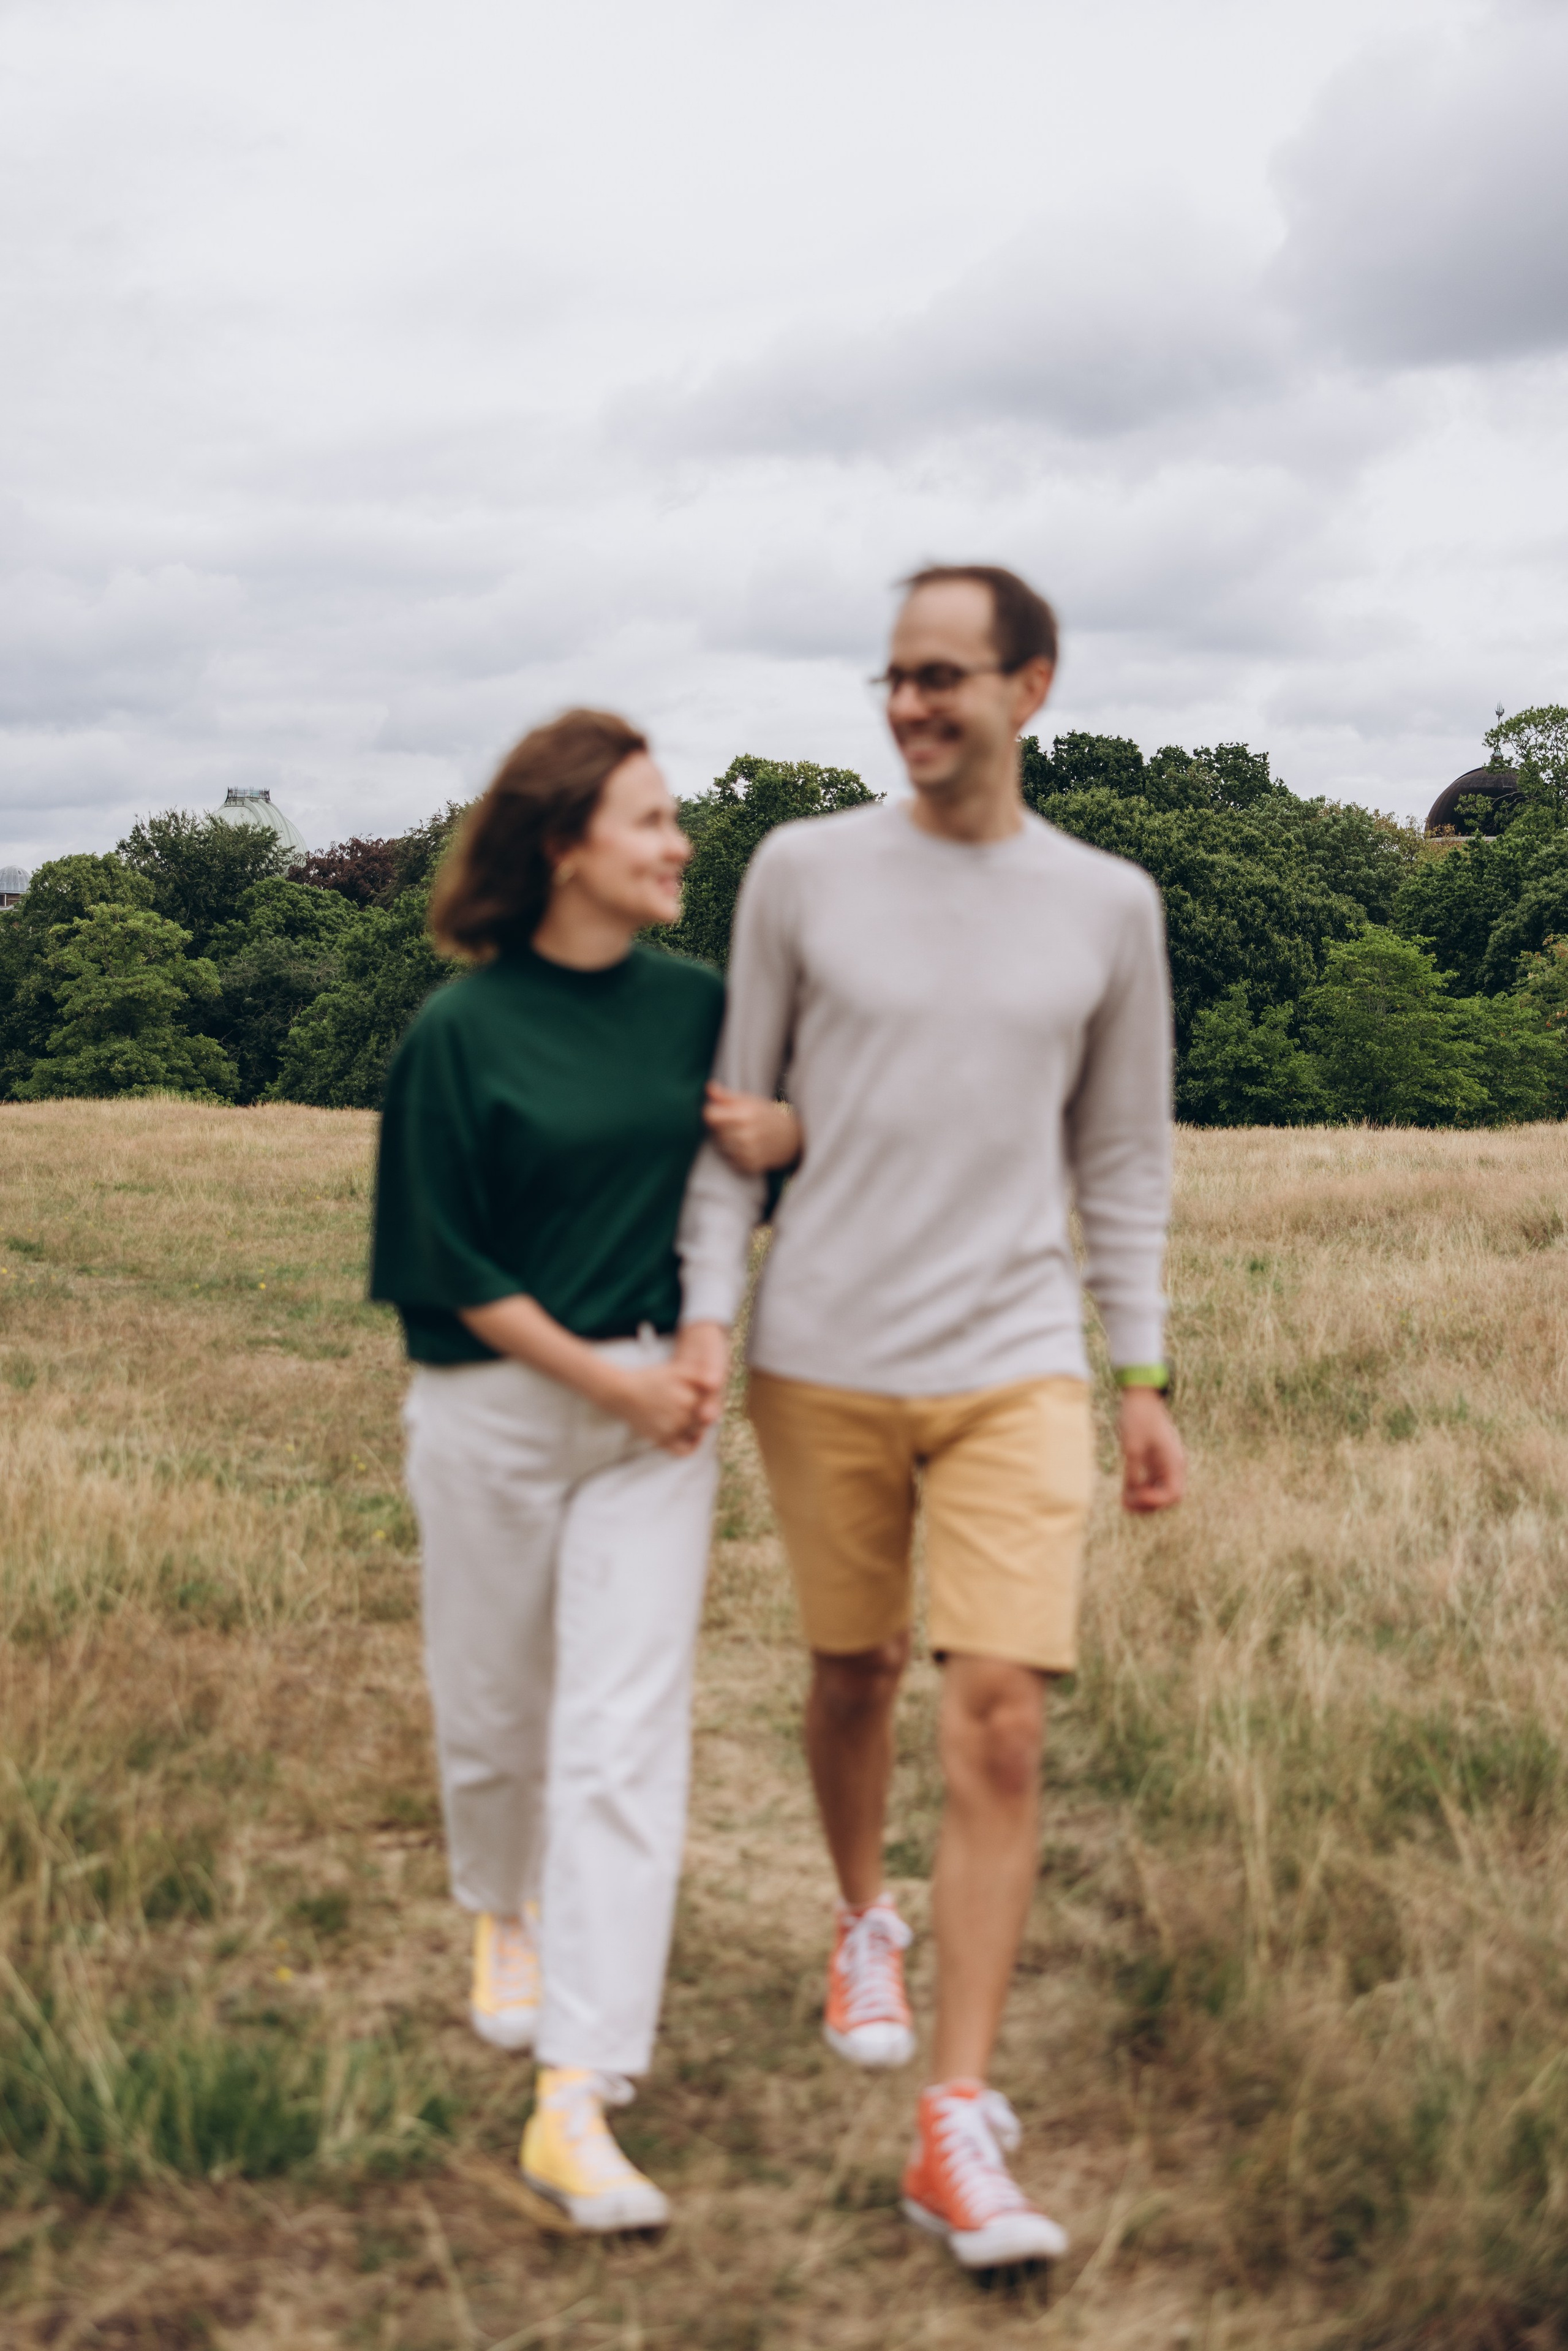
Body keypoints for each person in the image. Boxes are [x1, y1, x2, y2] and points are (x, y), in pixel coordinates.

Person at [684, 566, 1185, 2274]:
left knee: (999, 1717)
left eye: (946, 674)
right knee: (858, 1671)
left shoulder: (1108, 902)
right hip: (821, 1347)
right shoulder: (802, 871)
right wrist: (701, 1311)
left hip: (1017, 1356)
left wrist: (1143, 1374)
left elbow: (1121, 1155)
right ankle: (858, 1915)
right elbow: (731, 1117)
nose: (911, 704)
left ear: (1032, 684)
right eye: (894, 674)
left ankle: (955, 2117)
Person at [369, 709, 798, 2233]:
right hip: (489, 1405)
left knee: (624, 1737)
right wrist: (600, 1370)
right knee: (496, 1714)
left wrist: (691, 1341)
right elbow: (445, 1260)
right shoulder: (458, 1033)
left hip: (647, 1426)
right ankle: (501, 1904)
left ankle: (577, 2091)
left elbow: (721, 1175)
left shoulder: (697, 1006)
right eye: (648, 819)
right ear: (562, 845)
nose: (679, 842)